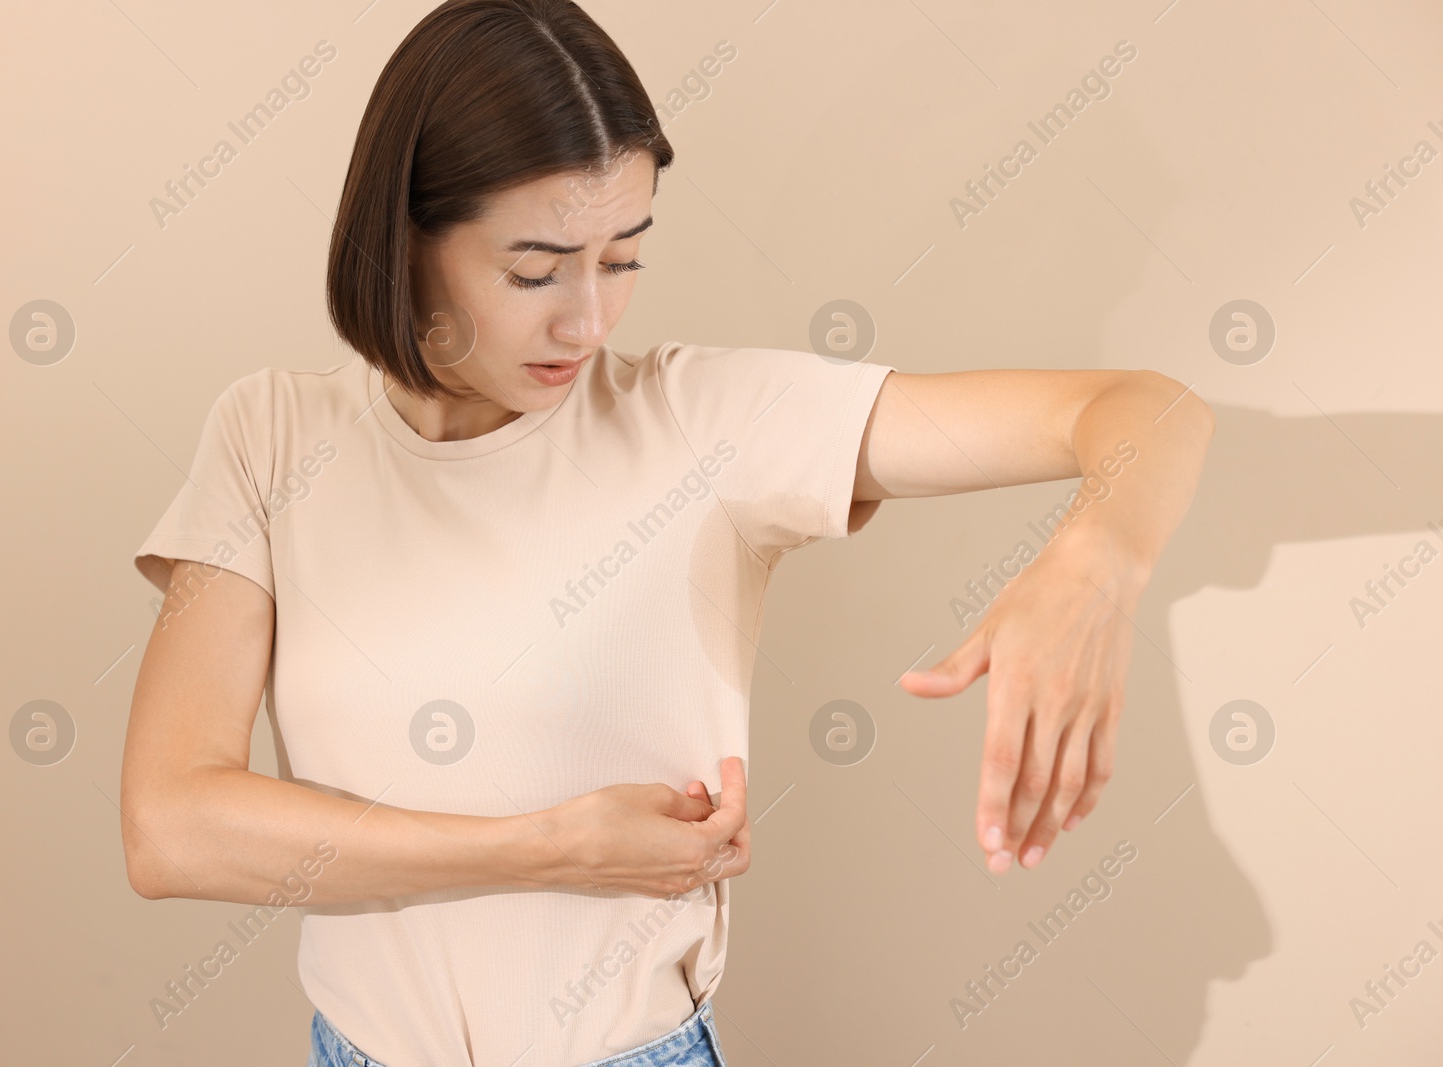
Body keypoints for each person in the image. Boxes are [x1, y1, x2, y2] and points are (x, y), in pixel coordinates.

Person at [119, 1, 1215, 1065]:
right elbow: (171, 826)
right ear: (407, 239)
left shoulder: (703, 424)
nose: (587, 320)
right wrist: (546, 848)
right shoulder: (270, 436)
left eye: (624, 257)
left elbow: (1144, 411)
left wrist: (1095, 563)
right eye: (534, 270)